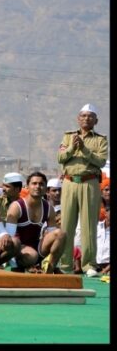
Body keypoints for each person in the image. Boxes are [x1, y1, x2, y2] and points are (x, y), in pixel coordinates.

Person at [57, 104, 107, 276]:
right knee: (66, 225)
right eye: (83, 116)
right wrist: (72, 148)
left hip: (89, 182)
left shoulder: (101, 140)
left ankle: (89, 265)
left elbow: (100, 162)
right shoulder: (68, 136)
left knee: (88, 225)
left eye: (90, 116)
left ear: (96, 120)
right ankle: (65, 264)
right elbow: (60, 157)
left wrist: (84, 149)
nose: (86, 119)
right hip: (70, 182)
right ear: (78, 119)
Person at [7, 171, 66, 274]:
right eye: (34, 183)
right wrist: (14, 265)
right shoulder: (16, 206)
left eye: (41, 184)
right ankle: (26, 265)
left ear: (45, 188)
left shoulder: (49, 208)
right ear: (27, 186)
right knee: (32, 256)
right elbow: (9, 239)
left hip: (37, 249)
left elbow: (53, 237)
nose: (38, 187)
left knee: (61, 234)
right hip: (20, 250)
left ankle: (49, 271)